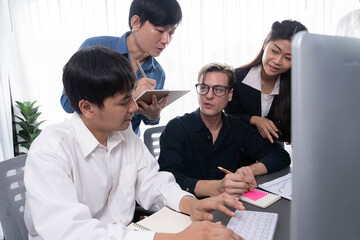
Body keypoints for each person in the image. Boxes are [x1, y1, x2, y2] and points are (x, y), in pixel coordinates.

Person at [24, 47, 245, 240]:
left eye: (132, 96)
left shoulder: (123, 132)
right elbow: (71, 232)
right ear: (87, 108)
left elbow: (152, 180)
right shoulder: (51, 150)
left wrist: (190, 204)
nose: (134, 107)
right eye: (124, 101)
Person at [158, 63, 290, 198]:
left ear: (230, 94)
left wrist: (250, 170)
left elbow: (280, 156)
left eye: (219, 90)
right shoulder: (176, 128)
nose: (209, 95)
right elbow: (168, 180)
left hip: (229, 206)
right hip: (187, 208)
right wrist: (217, 188)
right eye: (204, 88)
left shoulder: (237, 126)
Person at [60, 0, 182, 135]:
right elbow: (67, 104)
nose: (166, 40)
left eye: (171, 33)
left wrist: (154, 115)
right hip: (92, 145)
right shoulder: (94, 48)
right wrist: (129, 94)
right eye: (160, 30)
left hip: (128, 147)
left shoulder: (157, 73)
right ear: (136, 23)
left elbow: (148, 121)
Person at [225, 20, 307, 144]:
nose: (278, 61)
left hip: (272, 154)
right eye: (274, 51)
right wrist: (254, 120)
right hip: (238, 150)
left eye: (288, 58)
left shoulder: (296, 86)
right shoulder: (237, 77)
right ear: (265, 44)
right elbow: (227, 116)